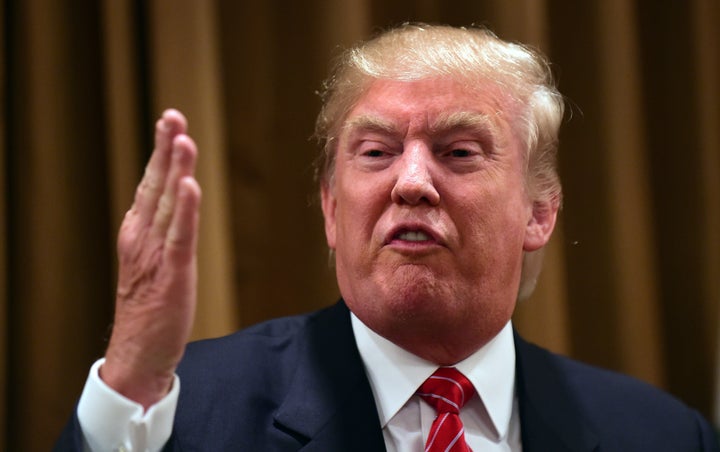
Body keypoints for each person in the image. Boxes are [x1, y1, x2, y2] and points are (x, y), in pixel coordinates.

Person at [55, 24, 719, 451]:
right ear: (329, 208)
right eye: (375, 152)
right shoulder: (183, 411)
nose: (411, 183)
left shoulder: (660, 435)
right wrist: (133, 376)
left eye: (459, 152)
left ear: (539, 213)